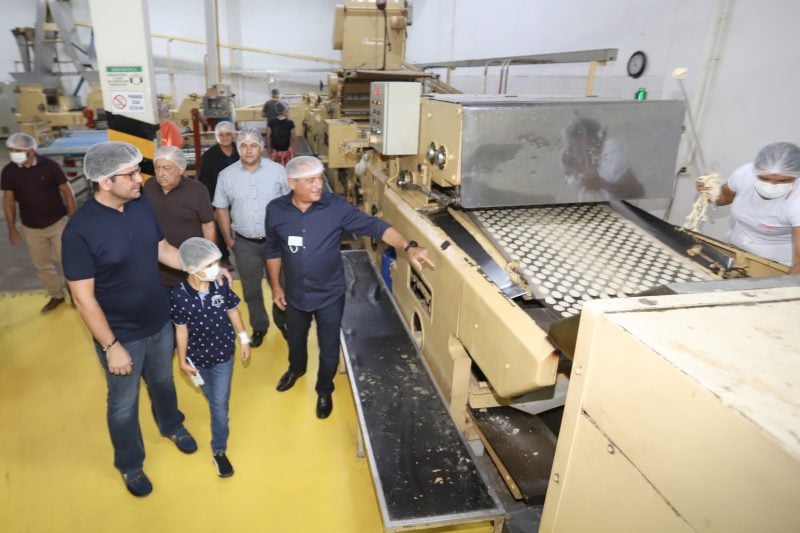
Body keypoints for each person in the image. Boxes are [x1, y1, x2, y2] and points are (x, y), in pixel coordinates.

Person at [62, 141, 201, 498]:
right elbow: (83, 298)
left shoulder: (139, 205)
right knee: (123, 403)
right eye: (130, 175)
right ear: (105, 182)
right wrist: (111, 346)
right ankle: (130, 463)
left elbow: (162, 249)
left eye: (138, 171)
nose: (140, 179)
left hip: (159, 321)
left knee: (163, 383)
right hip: (121, 335)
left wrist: (199, 265)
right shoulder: (80, 231)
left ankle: (171, 425)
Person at [265, 156, 435, 419]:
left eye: (319, 177)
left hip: (330, 294)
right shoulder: (276, 210)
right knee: (296, 340)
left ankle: (324, 389)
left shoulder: (336, 207)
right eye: (310, 180)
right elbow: (273, 251)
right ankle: (296, 369)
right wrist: (277, 287)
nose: (318, 185)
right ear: (292, 183)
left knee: (329, 348)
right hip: (295, 293)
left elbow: (376, 227)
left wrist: (408, 246)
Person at [172, 237, 251, 478]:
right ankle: (220, 411)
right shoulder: (179, 295)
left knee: (218, 403)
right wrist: (182, 360)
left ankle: (219, 450)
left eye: (216, 262)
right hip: (197, 359)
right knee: (211, 394)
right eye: (209, 265)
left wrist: (244, 338)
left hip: (223, 354)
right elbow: (181, 330)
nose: (216, 269)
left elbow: (232, 311)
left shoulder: (220, 284)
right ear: (191, 268)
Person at [213, 127, 290, 348]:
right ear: (238, 148)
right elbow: (221, 209)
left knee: (281, 284)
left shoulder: (278, 172)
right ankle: (259, 326)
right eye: (244, 146)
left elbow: (290, 205)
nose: (248, 150)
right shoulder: (226, 176)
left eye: (253, 145)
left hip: (276, 242)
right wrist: (229, 240)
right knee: (251, 289)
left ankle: (283, 322)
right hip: (244, 243)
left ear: (262, 147)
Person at [696, 141, 800, 274]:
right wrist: (708, 190)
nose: (771, 185)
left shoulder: (797, 202)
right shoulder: (745, 173)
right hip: (735, 248)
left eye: (783, 181)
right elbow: (722, 198)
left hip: (774, 263)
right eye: (764, 178)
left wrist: (784, 285)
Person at [2, 132, 76, 313]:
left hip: (57, 223)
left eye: (18, 150)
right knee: (42, 265)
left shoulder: (50, 166)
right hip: (31, 227)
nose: (13, 154)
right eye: (11, 150)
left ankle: (76, 294)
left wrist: (73, 219)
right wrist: (12, 229)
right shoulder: (9, 171)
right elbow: (8, 202)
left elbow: (67, 191)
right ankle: (56, 295)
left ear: (31, 150)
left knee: (67, 261)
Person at [143, 145, 215, 287]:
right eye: (157, 167)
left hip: (191, 266)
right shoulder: (149, 186)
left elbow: (208, 226)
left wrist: (209, 260)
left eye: (167, 168)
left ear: (181, 169)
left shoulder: (197, 190)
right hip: (156, 266)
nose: (161, 173)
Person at [560, 117, 643, 202]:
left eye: (575, 143)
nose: (573, 150)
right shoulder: (572, 158)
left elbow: (634, 191)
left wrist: (602, 184)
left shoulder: (611, 152)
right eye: (571, 146)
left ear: (592, 138)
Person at [198, 121, 239, 271]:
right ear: (216, 136)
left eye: (228, 134)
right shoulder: (210, 156)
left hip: (240, 198)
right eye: (221, 134)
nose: (225, 137)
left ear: (233, 135)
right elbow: (204, 182)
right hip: (219, 199)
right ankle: (224, 257)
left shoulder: (241, 152)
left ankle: (245, 255)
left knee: (243, 227)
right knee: (222, 230)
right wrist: (212, 206)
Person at [267, 101, 295, 166]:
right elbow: (293, 137)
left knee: (275, 167)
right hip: (286, 151)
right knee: (286, 167)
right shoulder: (290, 123)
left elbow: (268, 137)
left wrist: (269, 149)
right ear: (285, 111)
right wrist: (294, 149)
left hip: (275, 150)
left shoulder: (271, 122)